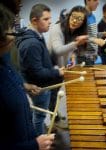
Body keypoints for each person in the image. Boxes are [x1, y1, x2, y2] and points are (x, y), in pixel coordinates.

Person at [0, 2, 54, 150]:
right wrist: (34, 145)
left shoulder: (4, 57)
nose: (13, 36)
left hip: (25, 136)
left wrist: (23, 86)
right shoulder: (29, 43)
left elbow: (11, 79)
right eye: (9, 30)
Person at [16, 4, 64, 135]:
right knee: (40, 116)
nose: (50, 22)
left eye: (50, 19)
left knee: (39, 115)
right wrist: (57, 72)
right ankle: (39, 140)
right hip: (39, 87)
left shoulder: (37, 36)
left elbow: (39, 61)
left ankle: (39, 132)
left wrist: (53, 66)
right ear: (34, 21)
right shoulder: (32, 43)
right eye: (46, 19)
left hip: (38, 83)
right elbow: (37, 73)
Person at [84, 0, 106, 65]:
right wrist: (95, 40)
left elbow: (93, 35)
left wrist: (104, 33)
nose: (98, 2)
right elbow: (78, 37)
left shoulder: (92, 16)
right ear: (87, 1)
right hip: (84, 57)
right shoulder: (82, 16)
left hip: (92, 56)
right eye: (95, 0)